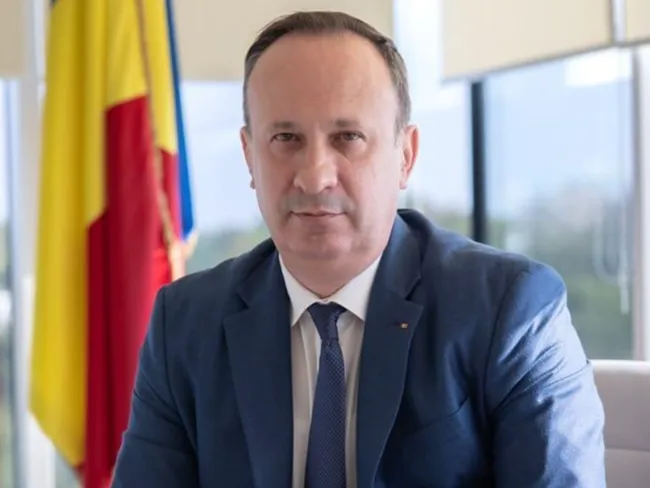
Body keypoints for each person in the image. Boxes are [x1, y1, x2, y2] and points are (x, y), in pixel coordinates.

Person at [112, 10, 606, 488]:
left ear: (405, 155)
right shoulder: (184, 324)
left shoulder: (511, 311)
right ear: (249, 156)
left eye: (347, 137)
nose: (314, 176)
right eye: (285, 137)